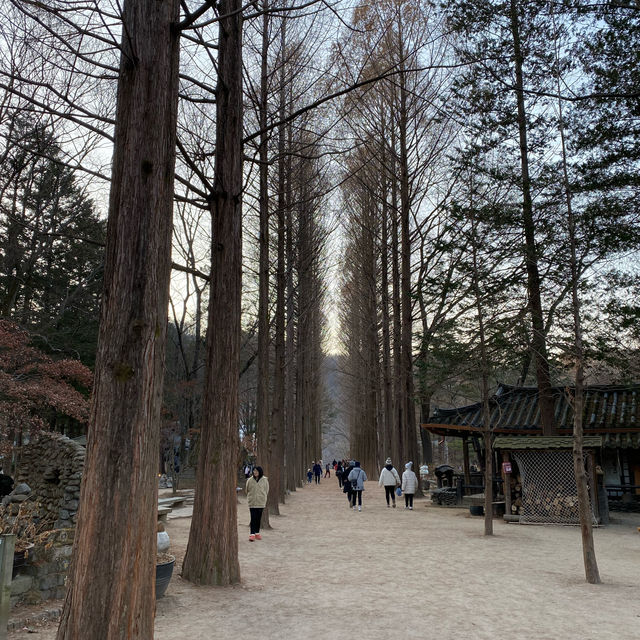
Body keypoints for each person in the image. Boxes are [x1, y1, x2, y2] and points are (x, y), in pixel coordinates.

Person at [246, 466, 269, 542]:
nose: (255, 472)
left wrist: (263, 497)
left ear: (260, 472)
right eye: (254, 471)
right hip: (252, 502)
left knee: (258, 518)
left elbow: (266, 490)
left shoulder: (265, 480)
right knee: (253, 518)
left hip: (261, 502)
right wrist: (251, 497)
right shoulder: (249, 480)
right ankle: (252, 534)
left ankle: (257, 533)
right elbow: (247, 490)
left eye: (256, 471)